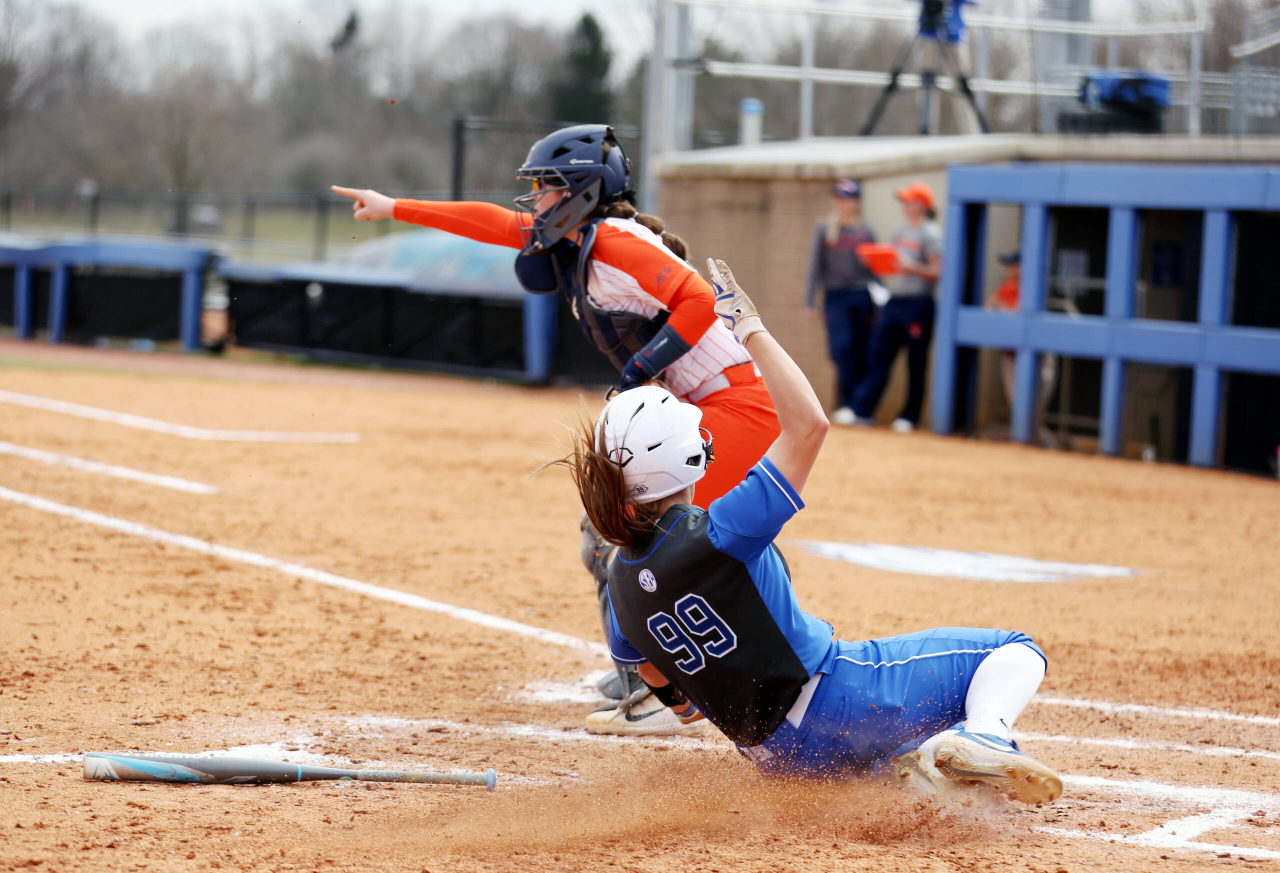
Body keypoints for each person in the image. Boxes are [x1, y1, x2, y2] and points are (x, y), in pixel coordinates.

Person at [555, 256, 1063, 804]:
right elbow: (809, 425)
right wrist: (750, 329)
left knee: (924, 781)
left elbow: (682, 709)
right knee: (1013, 652)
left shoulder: (620, 586)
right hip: (841, 697)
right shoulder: (724, 529)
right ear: (685, 458)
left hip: (781, 761)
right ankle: (986, 736)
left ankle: (916, 774)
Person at [332, 124, 780, 736]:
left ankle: (660, 691)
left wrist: (639, 371)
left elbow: (701, 301)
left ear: (582, 193)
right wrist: (393, 207)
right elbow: (489, 222)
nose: (534, 201)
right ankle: (650, 670)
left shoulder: (617, 242)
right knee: (613, 526)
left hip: (737, 404)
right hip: (700, 406)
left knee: (625, 530)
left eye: (544, 188)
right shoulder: (578, 242)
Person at [850, 181, 943, 433]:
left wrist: (909, 264)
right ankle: (862, 410)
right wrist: (874, 260)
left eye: (908, 201)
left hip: (919, 303)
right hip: (895, 300)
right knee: (878, 353)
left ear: (921, 206)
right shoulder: (899, 230)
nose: (904, 206)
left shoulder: (931, 233)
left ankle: (909, 417)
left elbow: (937, 272)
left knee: (915, 361)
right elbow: (891, 267)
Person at [804, 179, 878, 425]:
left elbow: (875, 270)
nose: (843, 203)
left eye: (848, 198)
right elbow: (815, 267)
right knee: (840, 349)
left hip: (861, 295)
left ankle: (857, 408)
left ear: (856, 202)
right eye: (839, 198)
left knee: (861, 350)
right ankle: (847, 403)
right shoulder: (825, 229)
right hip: (835, 296)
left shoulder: (865, 231)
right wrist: (810, 302)